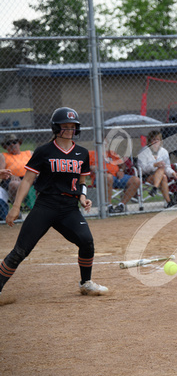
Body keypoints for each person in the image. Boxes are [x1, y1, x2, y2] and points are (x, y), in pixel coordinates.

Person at [0, 107, 109, 297]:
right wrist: (16, 207)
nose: (69, 130)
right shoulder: (44, 151)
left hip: (69, 209)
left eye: (72, 126)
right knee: (20, 251)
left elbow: (82, 182)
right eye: (64, 126)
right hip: (46, 206)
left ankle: (86, 283)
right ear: (55, 128)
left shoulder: (82, 153)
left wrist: (83, 198)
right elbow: (27, 180)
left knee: (87, 242)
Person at [88, 148, 140, 214]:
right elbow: (87, 167)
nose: (105, 144)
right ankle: (109, 206)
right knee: (108, 177)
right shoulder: (91, 153)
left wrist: (121, 170)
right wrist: (93, 168)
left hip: (117, 177)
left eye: (106, 141)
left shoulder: (111, 153)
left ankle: (121, 205)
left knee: (136, 180)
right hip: (101, 178)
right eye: (102, 140)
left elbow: (122, 164)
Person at [137, 130, 177, 208]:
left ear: (160, 141)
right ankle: (168, 201)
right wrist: (154, 165)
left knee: (163, 175)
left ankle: (155, 189)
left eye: (157, 139)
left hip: (161, 175)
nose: (155, 141)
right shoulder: (143, 151)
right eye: (153, 139)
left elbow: (167, 167)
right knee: (161, 171)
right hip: (148, 176)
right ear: (149, 141)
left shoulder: (164, 152)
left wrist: (173, 173)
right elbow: (141, 169)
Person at [1, 134, 35, 207]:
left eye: (14, 142)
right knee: (14, 184)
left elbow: (39, 166)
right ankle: (16, 207)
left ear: (19, 143)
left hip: (31, 177)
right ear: (5, 147)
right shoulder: (3, 156)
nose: (12, 145)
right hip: (12, 179)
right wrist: (11, 176)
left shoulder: (29, 153)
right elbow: (2, 172)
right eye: (8, 143)